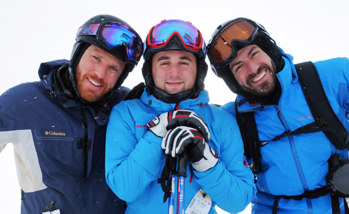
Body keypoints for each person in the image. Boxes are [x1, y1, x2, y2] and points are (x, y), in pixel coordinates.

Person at [105, 19, 256, 214]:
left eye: (184, 62)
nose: (174, 73)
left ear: (198, 70)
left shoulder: (222, 121)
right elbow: (124, 189)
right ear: (150, 70)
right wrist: (156, 133)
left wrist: (205, 161)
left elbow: (238, 202)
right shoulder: (126, 114)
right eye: (164, 62)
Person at [0, 14, 143, 214]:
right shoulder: (24, 102)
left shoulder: (126, 107)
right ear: (78, 52)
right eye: (96, 58)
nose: (100, 74)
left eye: (113, 68)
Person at [207, 17, 349, 213]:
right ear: (232, 80)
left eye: (254, 53)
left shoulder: (332, 77)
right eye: (238, 67)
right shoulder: (230, 119)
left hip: (336, 205)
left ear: (269, 51)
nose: (253, 68)